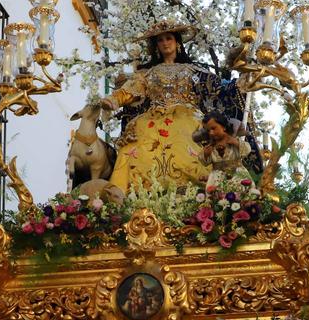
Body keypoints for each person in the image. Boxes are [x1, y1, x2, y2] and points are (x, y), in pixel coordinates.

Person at [99, 20, 244, 192]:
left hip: (187, 117)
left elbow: (217, 88)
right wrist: (114, 100)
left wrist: (240, 84)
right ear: (156, 46)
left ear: (177, 42)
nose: (165, 43)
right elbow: (132, 89)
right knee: (135, 147)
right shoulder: (148, 73)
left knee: (196, 144)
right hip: (152, 118)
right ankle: (133, 191)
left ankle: (203, 190)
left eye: (169, 38)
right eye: (160, 40)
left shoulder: (193, 71)